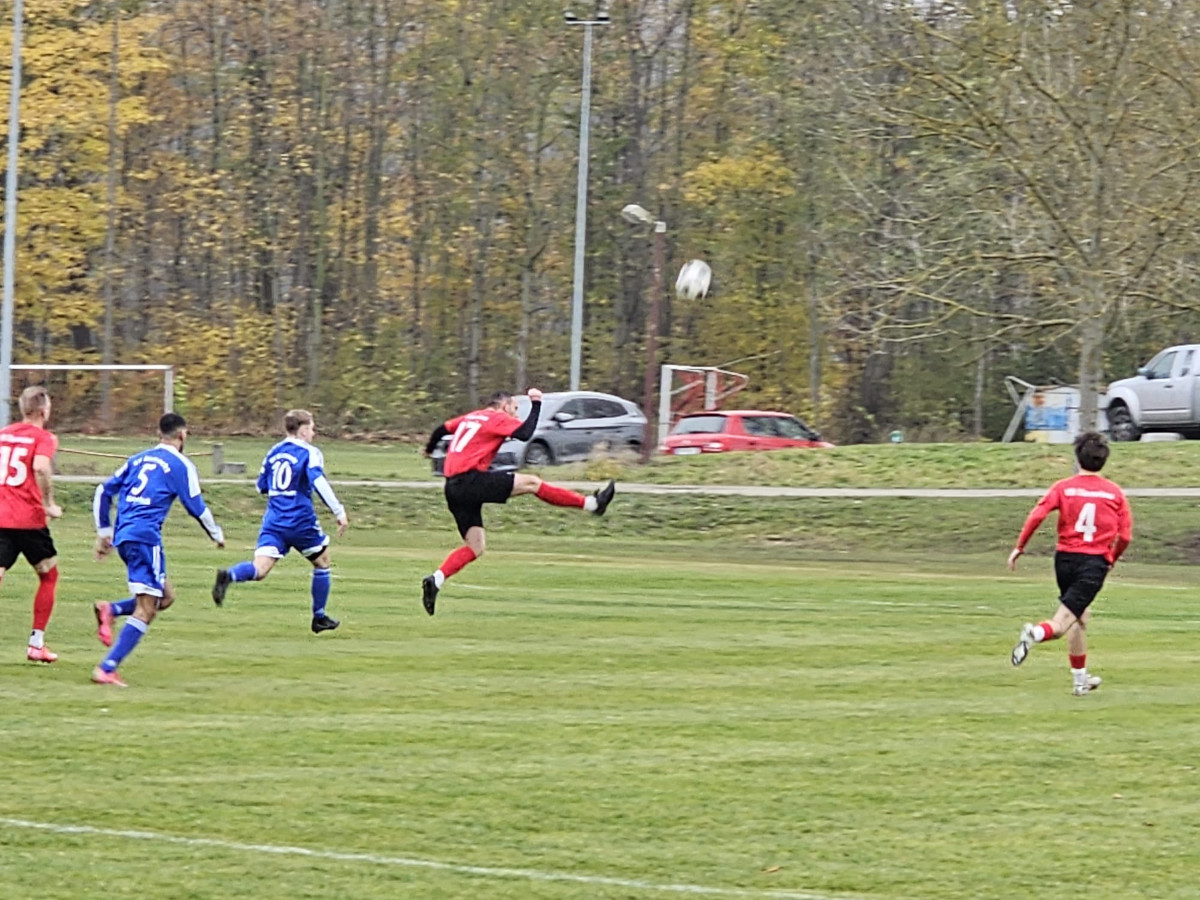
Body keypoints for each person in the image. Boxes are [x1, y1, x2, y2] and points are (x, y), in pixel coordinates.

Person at [420, 388, 615, 616]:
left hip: (452, 486)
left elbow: (440, 430)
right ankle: (592, 504)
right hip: (470, 480)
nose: (516, 415)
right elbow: (525, 433)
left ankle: (436, 580)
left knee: (476, 547)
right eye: (515, 409)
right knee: (532, 483)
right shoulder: (497, 417)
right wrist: (536, 404)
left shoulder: (472, 417)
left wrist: (429, 449)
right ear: (505, 406)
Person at [90, 413, 226, 687]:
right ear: (183, 435)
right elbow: (196, 506)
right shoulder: (181, 464)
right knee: (147, 609)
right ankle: (107, 667)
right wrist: (216, 534)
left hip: (126, 534)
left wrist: (105, 533)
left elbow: (103, 491)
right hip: (145, 537)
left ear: (158, 434)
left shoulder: (138, 459)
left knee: (166, 596)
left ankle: (112, 609)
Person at [1008, 430, 1133, 696]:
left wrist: (1020, 547)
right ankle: (1035, 633)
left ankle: (1080, 681)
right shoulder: (1114, 493)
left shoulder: (1063, 487)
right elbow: (1126, 536)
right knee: (1062, 622)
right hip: (1092, 562)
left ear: (1077, 459)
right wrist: (1112, 558)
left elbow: (1037, 514)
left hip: (1064, 559)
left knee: (1080, 615)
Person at [210, 409, 349, 633]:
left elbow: (260, 486)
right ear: (303, 430)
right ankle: (319, 616)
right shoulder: (310, 453)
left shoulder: (273, 452)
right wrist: (338, 511)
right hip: (300, 520)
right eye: (312, 428)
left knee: (260, 569)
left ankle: (230, 576)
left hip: (274, 522)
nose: (313, 433)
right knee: (322, 562)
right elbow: (318, 481)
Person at [0, 386, 64, 663]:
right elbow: (39, 467)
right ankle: (36, 643)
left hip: (1, 515)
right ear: (43, 410)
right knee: (48, 575)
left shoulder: (3, 435)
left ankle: (37, 645)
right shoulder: (44, 437)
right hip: (28, 519)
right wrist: (48, 503)